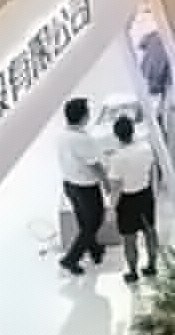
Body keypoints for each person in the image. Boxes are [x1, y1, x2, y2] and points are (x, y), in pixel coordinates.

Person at [57, 97, 107, 275]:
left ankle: (95, 250)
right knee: (94, 222)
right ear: (83, 116)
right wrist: (106, 181)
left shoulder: (62, 135)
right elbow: (94, 164)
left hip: (70, 185)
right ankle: (70, 259)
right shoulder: (82, 139)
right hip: (86, 188)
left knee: (85, 222)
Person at [106, 115, 159, 283]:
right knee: (150, 232)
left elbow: (116, 187)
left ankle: (133, 272)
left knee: (129, 239)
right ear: (133, 130)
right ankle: (152, 266)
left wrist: (111, 209)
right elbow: (152, 170)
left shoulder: (117, 158)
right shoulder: (146, 148)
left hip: (127, 201)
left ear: (116, 135)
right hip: (145, 195)